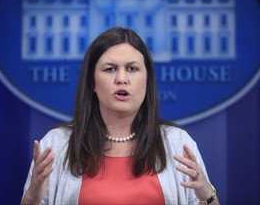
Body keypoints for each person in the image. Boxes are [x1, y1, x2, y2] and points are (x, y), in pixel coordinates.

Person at [21, 27, 219, 205]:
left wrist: (207, 195)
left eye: (132, 69)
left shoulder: (178, 144)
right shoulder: (56, 145)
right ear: (93, 83)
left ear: (147, 80)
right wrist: (31, 199)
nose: (122, 79)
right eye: (110, 69)